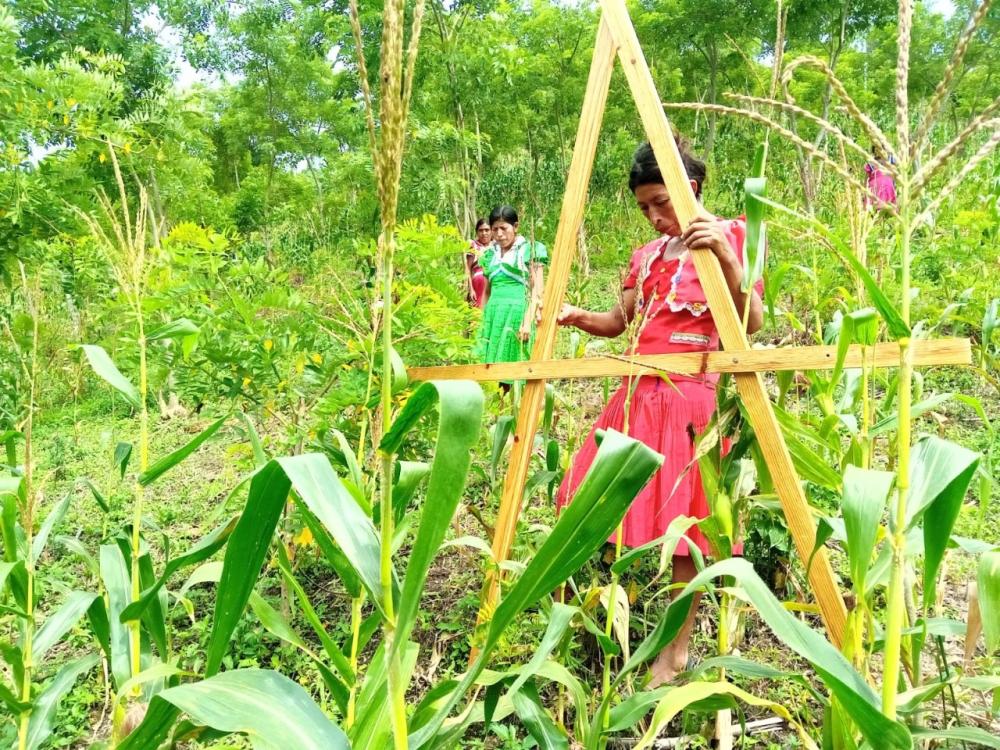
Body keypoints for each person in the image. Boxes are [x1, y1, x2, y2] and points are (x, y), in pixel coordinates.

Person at [556, 140, 764, 686]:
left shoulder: (732, 235)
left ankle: (673, 654)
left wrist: (723, 254)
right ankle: (594, 628)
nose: (653, 216)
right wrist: (577, 316)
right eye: (645, 207)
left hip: (693, 401)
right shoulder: (647, 256)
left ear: (689, 190)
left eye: (660, 203)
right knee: (589, 504)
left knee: (685, 534)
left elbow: (752, 321)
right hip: (636, 396)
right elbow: (617, 321)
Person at [476, 205, 547, 387]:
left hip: (517, 317)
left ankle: (517, 413)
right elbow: (487, 292)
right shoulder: (489, 255)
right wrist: (480, 320)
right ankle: (496, 412)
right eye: (495, 229)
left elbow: (537, 290)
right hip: (493, 318)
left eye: (504, 228)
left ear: (515, 227)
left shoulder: (529, 250)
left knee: (515, 372)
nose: (499, 234)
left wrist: (527, 321)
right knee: (490, 372)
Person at [465, 218, 491, 307]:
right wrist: (471, 289)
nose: (484, 233)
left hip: (494, 285)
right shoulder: (473, 245)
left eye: (487, 230)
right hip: (478, 286)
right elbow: (467, 268)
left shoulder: (497, 246)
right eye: (481, 230)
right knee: (477, 314)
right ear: (476, 232)